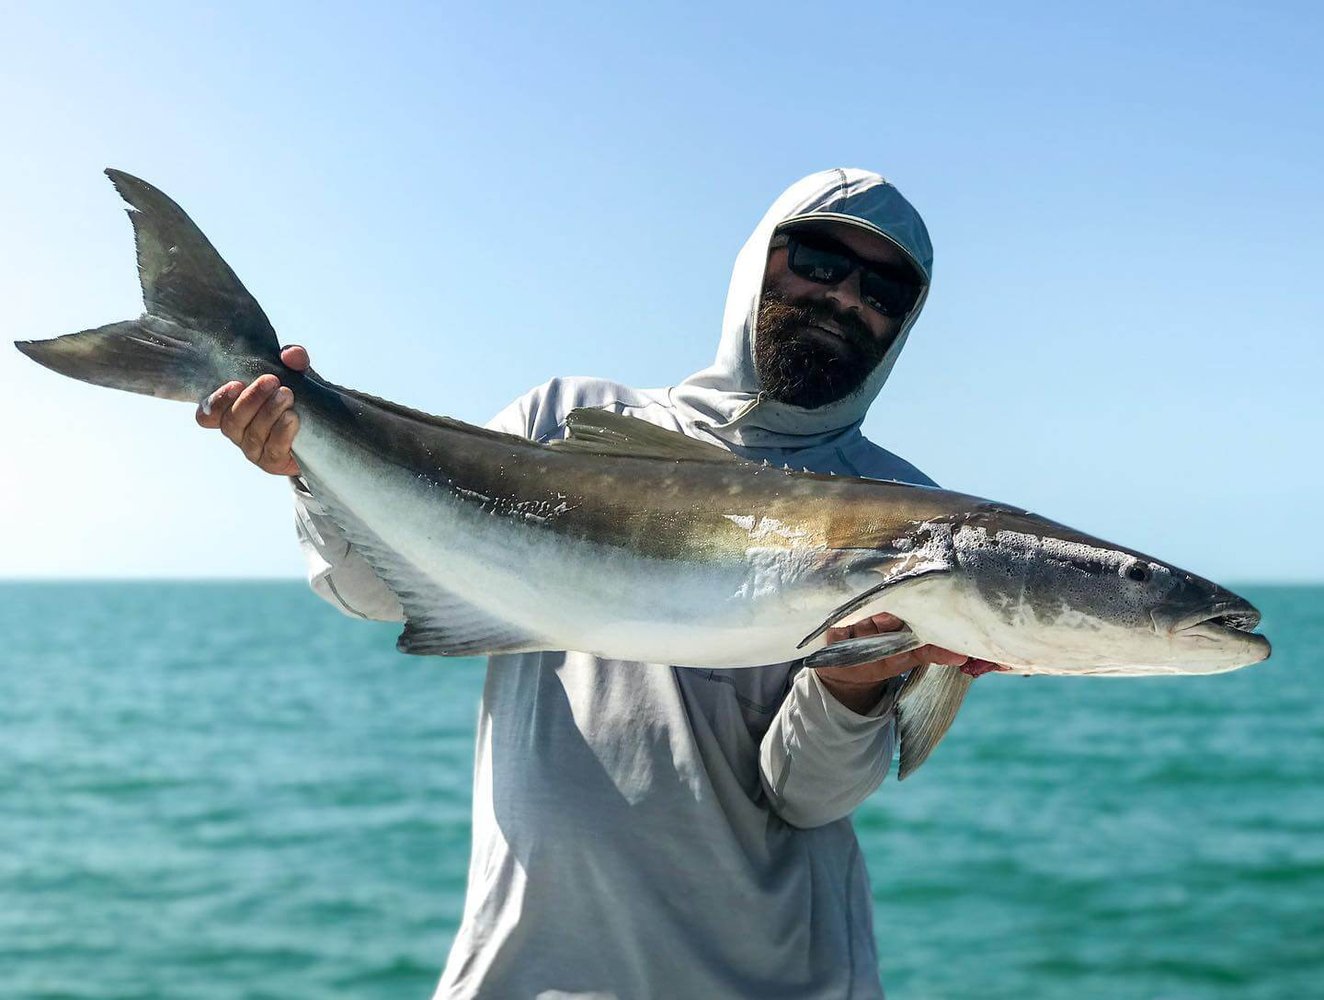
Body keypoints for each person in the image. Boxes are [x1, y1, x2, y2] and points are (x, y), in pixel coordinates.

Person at [197, 168, 975, 999]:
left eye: (885, 288)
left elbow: (810, 797)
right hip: (525, 970)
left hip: (774, 977)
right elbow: (374, 592)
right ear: (760, 261)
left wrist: (855, 688)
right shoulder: (564, 423)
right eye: (819, 260)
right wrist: (306, 467)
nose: (846, 297)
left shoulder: (910, 519)